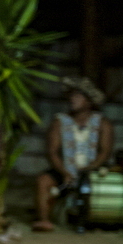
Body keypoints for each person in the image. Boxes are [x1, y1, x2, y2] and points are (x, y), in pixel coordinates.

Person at [33, 76, 114, 231]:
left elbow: (105, 152)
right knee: (43, 181)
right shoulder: (59, 122)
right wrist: (64, 172)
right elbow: (52, 152)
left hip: (92, 171)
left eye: (78, 96)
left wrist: (90, 169)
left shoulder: (103, 123)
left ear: (89, 102)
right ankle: (43, 220)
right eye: (71, 96)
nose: (72, 99)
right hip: (64, 170)